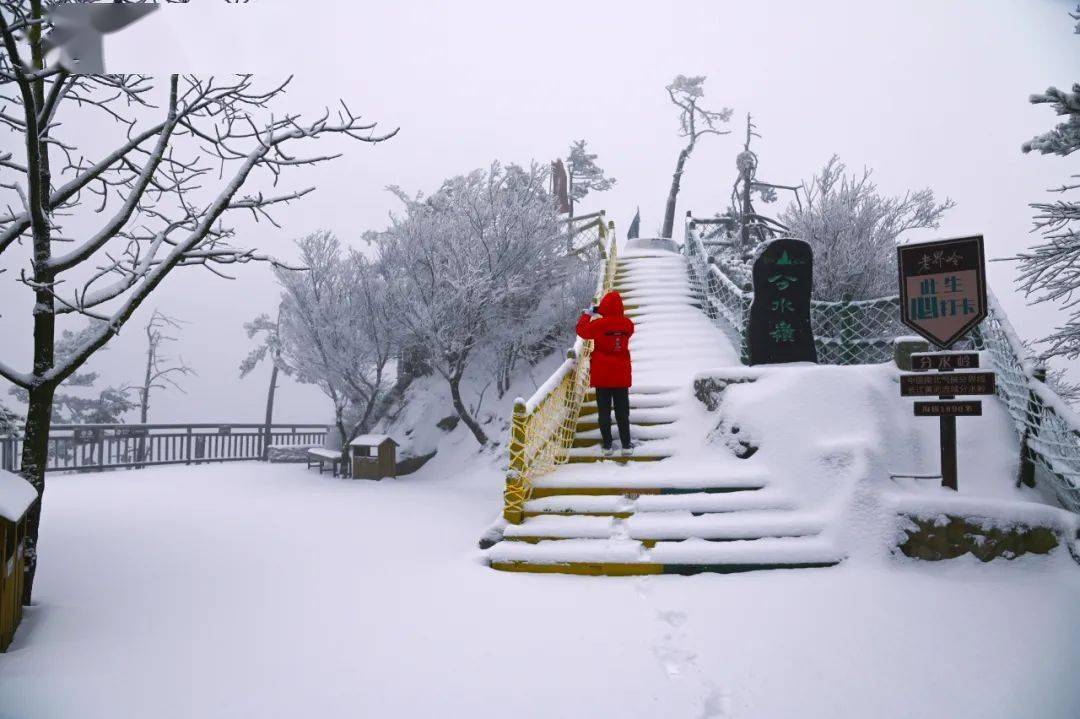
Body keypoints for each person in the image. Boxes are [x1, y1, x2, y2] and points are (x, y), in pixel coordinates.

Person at [576, 290, 635, 457]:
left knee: (604, 412)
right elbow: (628, 331)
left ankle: (608, 446)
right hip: (621, 376)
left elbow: (582, 331)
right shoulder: (628, 324)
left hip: (602, 376)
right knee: (622, 411)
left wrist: (588, 314)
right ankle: (626, 444)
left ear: (604, 306)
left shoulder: (599, 325)